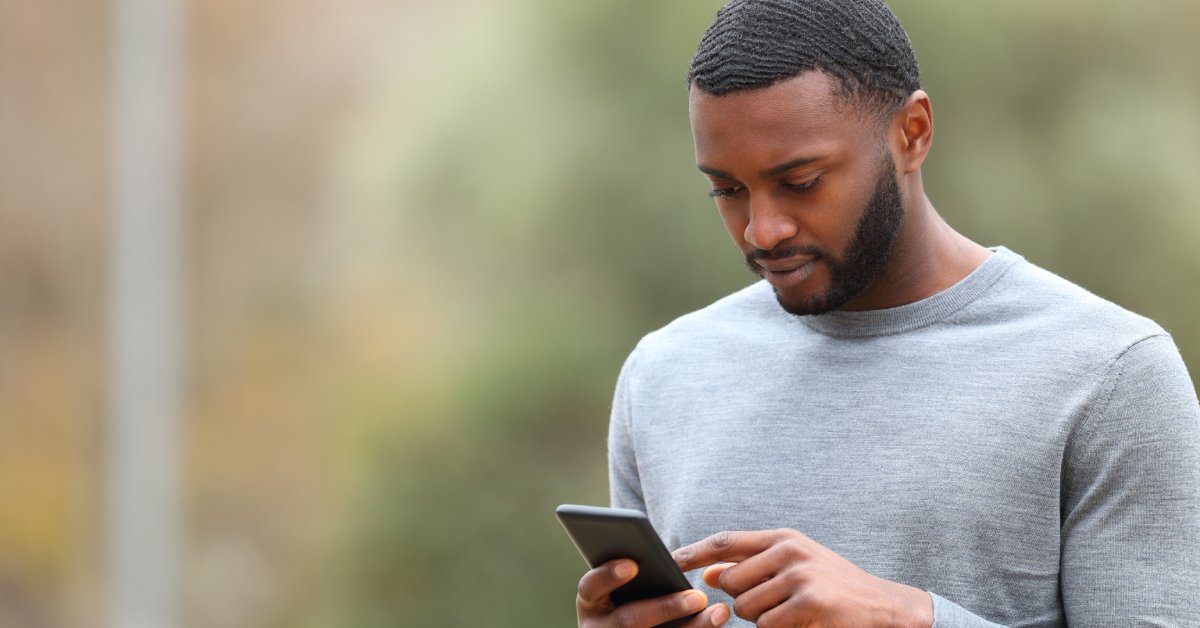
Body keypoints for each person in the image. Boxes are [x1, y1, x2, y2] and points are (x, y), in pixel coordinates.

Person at [572, 1, 1200, 627]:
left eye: (801, 181)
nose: (762, 231)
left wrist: (909, 618)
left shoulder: (1109, 374)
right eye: (727, 190)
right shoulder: (665, 374)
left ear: (912, 133)